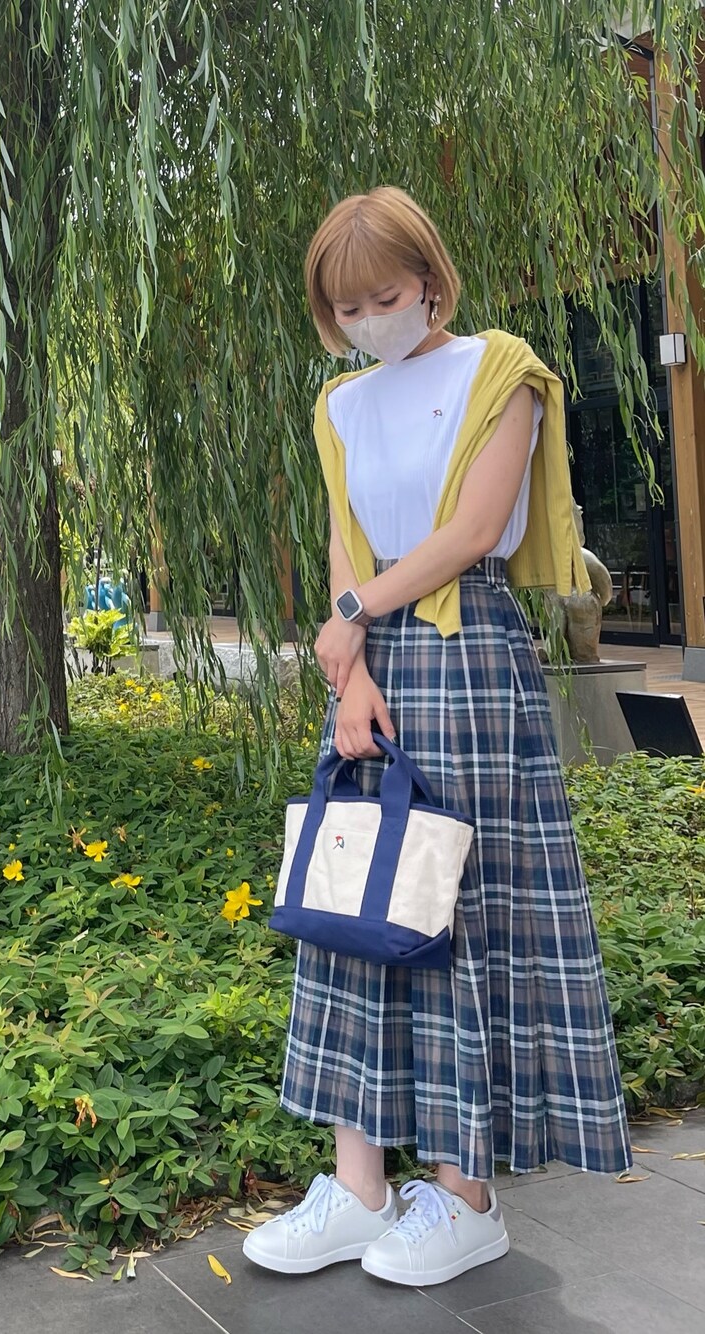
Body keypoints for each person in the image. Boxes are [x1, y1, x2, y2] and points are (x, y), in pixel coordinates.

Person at [243, 187, 632, 1286]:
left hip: (467, 659)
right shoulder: (338, 404)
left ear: (429, 281)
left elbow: (472, 531)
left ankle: (465, 1196)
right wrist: (349, 669)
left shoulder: (500, 370)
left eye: (386, 296)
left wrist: (352, 616)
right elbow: (346, 542)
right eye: (347, 307)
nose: (370, 318)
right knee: (354, 904)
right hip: (368, 665)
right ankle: (357, 1185)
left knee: (457, 910)